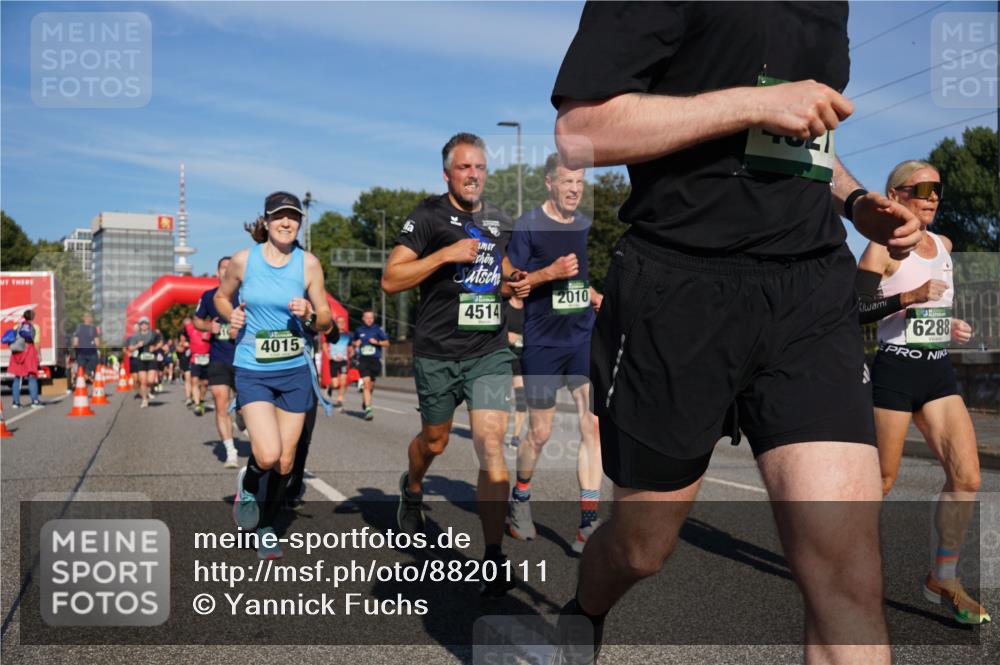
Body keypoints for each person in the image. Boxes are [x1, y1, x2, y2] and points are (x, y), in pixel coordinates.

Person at [547, 3, 925, 663]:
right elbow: (581, 132)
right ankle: (584, 610)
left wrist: (858, 202)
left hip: (808, 290)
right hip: (679, 288)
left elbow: (806, 134)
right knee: (641, 549)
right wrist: (752, 105)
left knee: (849, 577)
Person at [382, 132, 530, 598]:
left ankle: (492, 558)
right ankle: (413, 486)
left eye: (480, 167)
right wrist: (444, 253)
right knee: (436, 440)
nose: (473, 175)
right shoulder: (427, 216)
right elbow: (391, 279)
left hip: (487, 353)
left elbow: (501, 274)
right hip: (438, 354)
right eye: (464, 168)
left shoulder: (499, 222)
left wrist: (514, 284)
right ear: (447, 174)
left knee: (490, 444)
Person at [856, 160, 990, 625]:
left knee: (968, 477)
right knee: (881, 482)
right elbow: (853, 309)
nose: (933, 197)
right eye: (922, 189)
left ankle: (943, 578)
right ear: (895, 196)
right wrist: (906, 298)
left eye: (937, 190)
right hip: (894, 372)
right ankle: (842, 568)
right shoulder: (881, 247)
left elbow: (929, 314)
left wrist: (944, 325)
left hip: (937, 374)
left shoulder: (945, 246)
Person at [215, 191, 332, 560]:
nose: (286, 223)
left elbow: (327, 318)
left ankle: (266, 526)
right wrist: (229, 315)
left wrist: (311, 314)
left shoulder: (309, 264)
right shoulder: (243, 261)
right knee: (266, 455)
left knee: (286, 462)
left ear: (299, 223)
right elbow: (222, 297)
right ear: (265, 221)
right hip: (254, 369)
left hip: (295, 371)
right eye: (279, 216)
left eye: (293, 217)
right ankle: (248, 487)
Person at [503, 153, 603, 554]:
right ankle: (520, 499)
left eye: (579, 182)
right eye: (567, 182)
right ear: (549, 183)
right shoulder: (528, 225)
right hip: (543, 341)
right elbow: (514, 286)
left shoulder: (582, 223)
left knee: (592, 424)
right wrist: (550, 274)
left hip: (581, 335)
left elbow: (577, 276)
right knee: (540, 432)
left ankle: (588, 523)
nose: (575, 189)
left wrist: (593, 294)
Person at [195, 256, 241, 468]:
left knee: (245, 407)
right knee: (221, 402)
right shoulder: (208, 296)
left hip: (244, 358)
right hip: (219, 358)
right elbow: (197, 319)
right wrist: (207, 327)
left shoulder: (245, 295)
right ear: (217, 272)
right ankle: (230, 450)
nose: (226, 271)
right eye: (223, 268)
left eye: (230, 268)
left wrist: (241, 330)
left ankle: (241, 418)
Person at [352, 310, 388, 421]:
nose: (369, 320)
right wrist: (355, 344)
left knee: (371, 386)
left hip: (375, 360)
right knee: (366, 384)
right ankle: (368, 409)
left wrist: (377, 342)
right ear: (363, 318)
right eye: (367, 317)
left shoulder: (378, 330)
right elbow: (353, 343)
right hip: (363, 360)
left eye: (371, 318)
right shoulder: (358, 330)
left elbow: (387, 343)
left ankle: (365, 401)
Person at [124, 317, 162, 408]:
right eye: (142, 324)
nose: (143, 325)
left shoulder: (153, 334)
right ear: (140, 326)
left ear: (148, 325)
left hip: (152, 359)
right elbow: (130, 348)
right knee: (143, 381)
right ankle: (145, 399)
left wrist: (155, 348)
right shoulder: (136, 336)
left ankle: (150, 391)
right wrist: (137, 345)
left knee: (151, 380)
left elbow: (160, 342)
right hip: (141, 360)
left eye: (145, 323)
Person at [504, 295, 527, 448]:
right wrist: (505, 336)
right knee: (503, 400)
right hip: (504, 358)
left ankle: (516, 436)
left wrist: (519, 338)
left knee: (521, 400)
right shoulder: (504, 305)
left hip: (521, 358)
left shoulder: (530, 307)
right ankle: (498, 431)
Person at [8, 310, 42, 408]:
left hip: (17, 354)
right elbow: (36, 343)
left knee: (17, 377)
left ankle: (15, 402)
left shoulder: (16, 327)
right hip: (29, 353)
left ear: (24, 317)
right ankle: (35, 401)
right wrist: (39, 355)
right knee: (32, 376)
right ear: (33, 317)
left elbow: (12, 340)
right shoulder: (35, 327)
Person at [185, 316, 211, 415]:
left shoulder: (209, 327)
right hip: (195, 359)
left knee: (205, 383)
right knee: (194, 381)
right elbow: (186, 321)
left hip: (207, 358)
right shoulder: (191, 328)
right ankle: (196, 405)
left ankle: (201, 400)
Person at [326, 315, 353, 409]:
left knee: (343, 381)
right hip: (333, 361)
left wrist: (352, 352)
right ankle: (330, 386)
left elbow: (350, 346)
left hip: (343, 361)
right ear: (336, 324)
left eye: (343, 322)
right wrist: (328, 354)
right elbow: (325, 344)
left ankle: (340, 399)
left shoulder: (348, 335)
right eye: (339, 322)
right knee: (335, 384)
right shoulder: (331, 333)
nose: (341, 324)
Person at [71, 312, 101, 382]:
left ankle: (81, 381)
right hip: (92, 353)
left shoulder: (79, 327)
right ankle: (86, 376)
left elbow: (75, 341)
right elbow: (97, 343)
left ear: (83, 319)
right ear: (91, 319)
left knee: (81, 369)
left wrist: (74, 347)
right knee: (91, 367)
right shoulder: (93, 328)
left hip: (81, 352)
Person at [176, 330, 193, 406]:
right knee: (187, 379)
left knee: (194, 381)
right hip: (185, 364)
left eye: (184, 336)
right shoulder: (178, 344)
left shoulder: (191, 343)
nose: (182, 338)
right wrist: (183, 345)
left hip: (193, 362)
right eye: (181, 336)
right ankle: (188, 397)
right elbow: (179, 350)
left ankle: (193, 395)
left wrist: (189, 345)